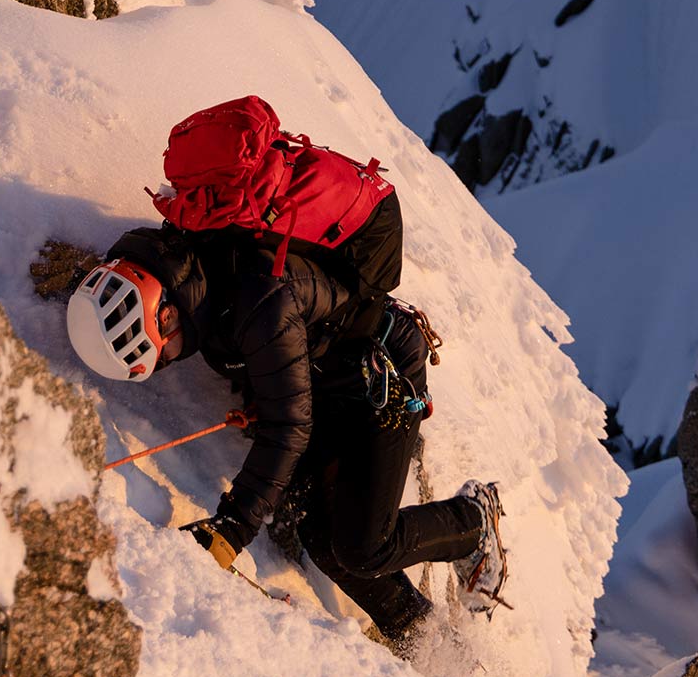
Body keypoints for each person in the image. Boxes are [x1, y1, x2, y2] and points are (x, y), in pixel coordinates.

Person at [64, 220, 508, 649]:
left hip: (381, 374)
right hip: (328, 379)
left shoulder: (258, 299)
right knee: (322, 537)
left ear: (164, 311)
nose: (172, 360)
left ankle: (473, 520)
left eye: (166, 352)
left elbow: (289, 426)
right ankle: (423, 638)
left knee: (363, 546)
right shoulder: (181, 268)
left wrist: (231, 529)